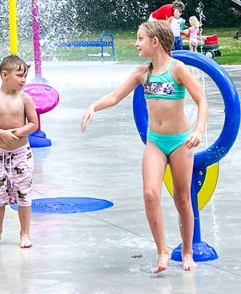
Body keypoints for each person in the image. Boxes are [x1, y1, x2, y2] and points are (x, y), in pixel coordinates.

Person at [81, 20, 209, 273]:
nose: (136, 43)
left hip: (180, 140)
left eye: (140, 39)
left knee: (182, 198)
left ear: (155, 42)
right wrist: (93, 106)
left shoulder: (178, 70)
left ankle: (186, 251)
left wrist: (198, 131)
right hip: (155, 141)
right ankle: (161, 251)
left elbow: (202, 101)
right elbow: (115, 96)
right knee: (150, 193)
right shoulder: (142, 73)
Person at [0, 55, 39, 248]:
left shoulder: (25, 98)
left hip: (21, 154)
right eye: (20, 75)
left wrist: (17, 132)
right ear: (4, 75)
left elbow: (34, 123)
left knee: (23, 194)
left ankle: (25, 233)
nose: (24, 79)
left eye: (25, 75)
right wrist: (0, 133)